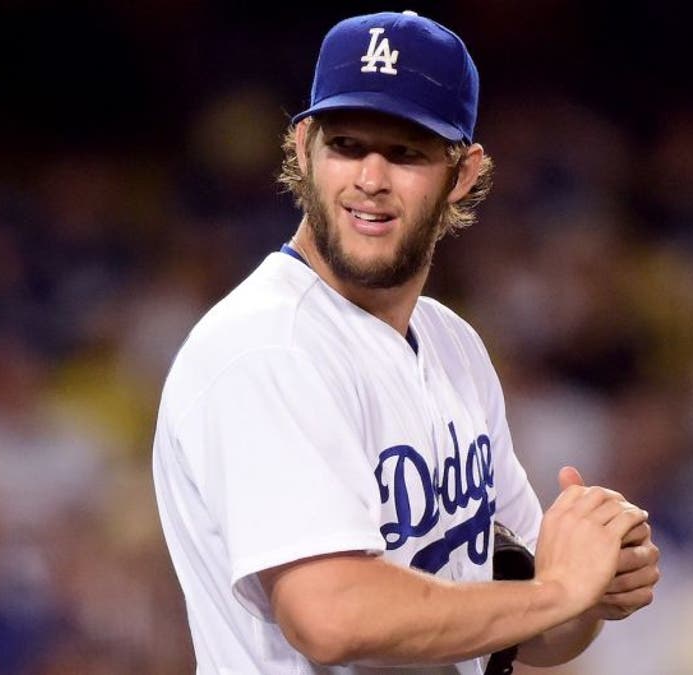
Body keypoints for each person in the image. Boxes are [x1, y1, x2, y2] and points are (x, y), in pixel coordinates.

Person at [151, 10, 661, 674]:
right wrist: (560, 589)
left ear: (464, 173)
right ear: (303, 147)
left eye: (405, 152)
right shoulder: (265, 346)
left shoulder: (454, 346)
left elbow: (529, 629)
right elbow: (329, 617)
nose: (370, 177)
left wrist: (593, 589)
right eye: (346, 145)